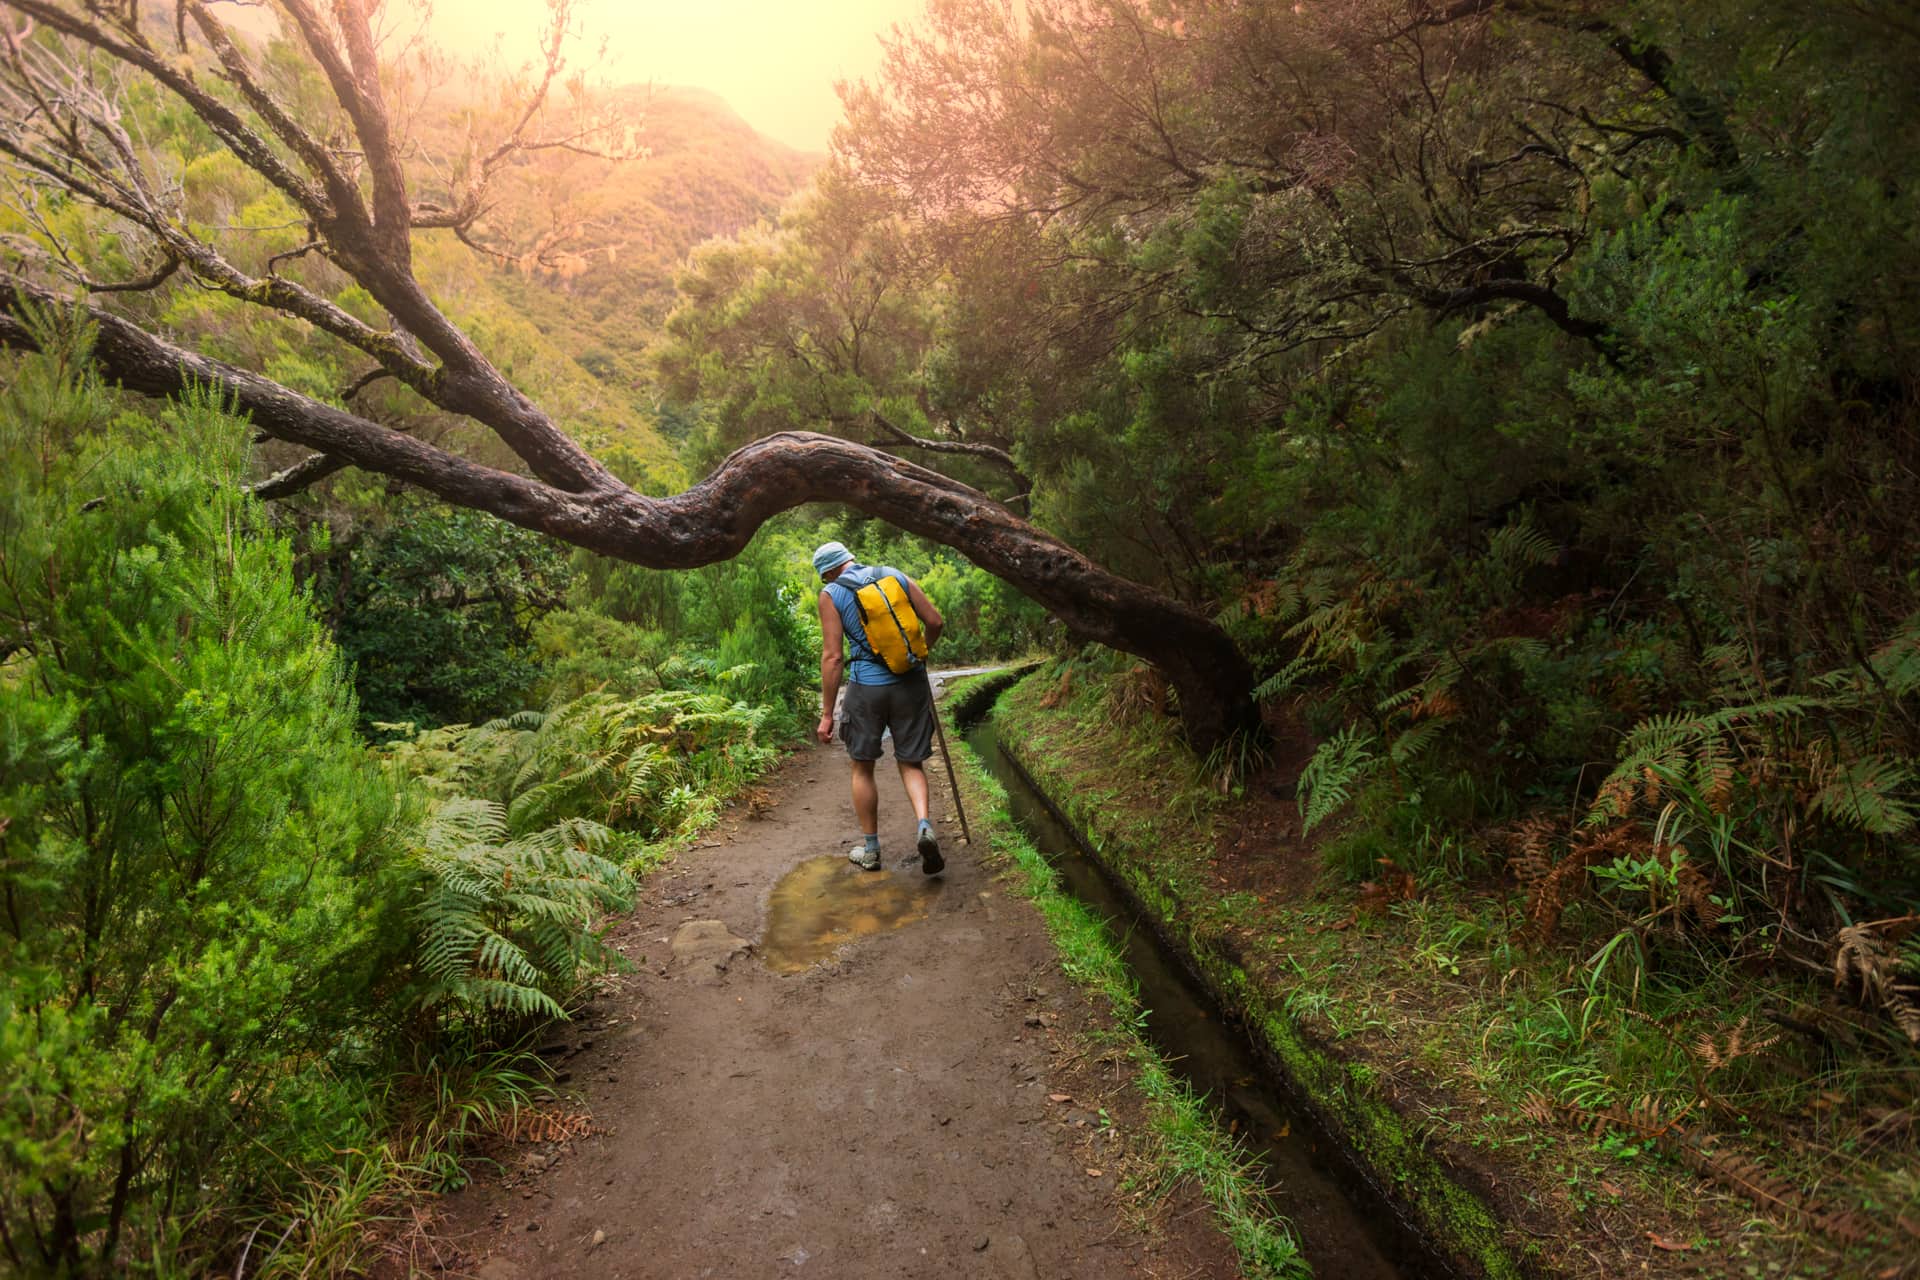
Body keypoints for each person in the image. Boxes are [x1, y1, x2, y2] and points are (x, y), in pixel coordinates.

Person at [812, 540, 947, 874]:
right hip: (910, 683)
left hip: (866, 688)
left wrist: (827, 714)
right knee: (911, 761)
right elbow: (936, 622)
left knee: (862, 766)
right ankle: (924, 826)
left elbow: (833, 657)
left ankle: (871, 850)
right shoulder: (893, 575)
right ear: (850, 558)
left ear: (827, 572)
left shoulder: (831, 594)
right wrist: (917, 655)